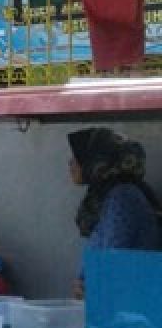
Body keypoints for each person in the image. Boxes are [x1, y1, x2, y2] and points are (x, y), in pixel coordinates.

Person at [68, 127, 161, 298]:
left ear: (98, 161)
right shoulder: (104, 198)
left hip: (130, 311)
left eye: (78, 157)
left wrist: (88, 286)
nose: (71, 163)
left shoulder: (123, 197)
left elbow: (113, 264)